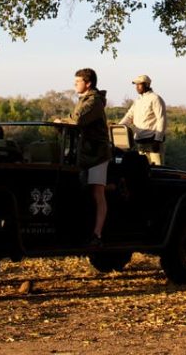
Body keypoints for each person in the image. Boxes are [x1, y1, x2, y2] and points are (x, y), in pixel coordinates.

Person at [71, 67, 111, 246]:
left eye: (77, 82)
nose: (75, 85)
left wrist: (66, 120)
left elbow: (78, 119)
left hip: (97, 154)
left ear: (88, 83)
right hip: (85, 154)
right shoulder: (84, 99)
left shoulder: (94, 101)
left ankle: (98, 234)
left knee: (98, 192)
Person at [118, 74, 167, 166]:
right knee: (143, 170)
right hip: (140, 141)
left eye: (139, 84)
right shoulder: (138, 101)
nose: (137, 87)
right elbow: (129, 116)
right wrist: (118, 126)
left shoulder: (155, 98)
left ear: (147, 85)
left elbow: (161, 119)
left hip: (152, 141)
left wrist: (157, 140)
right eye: (136, 85)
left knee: (157, 169)